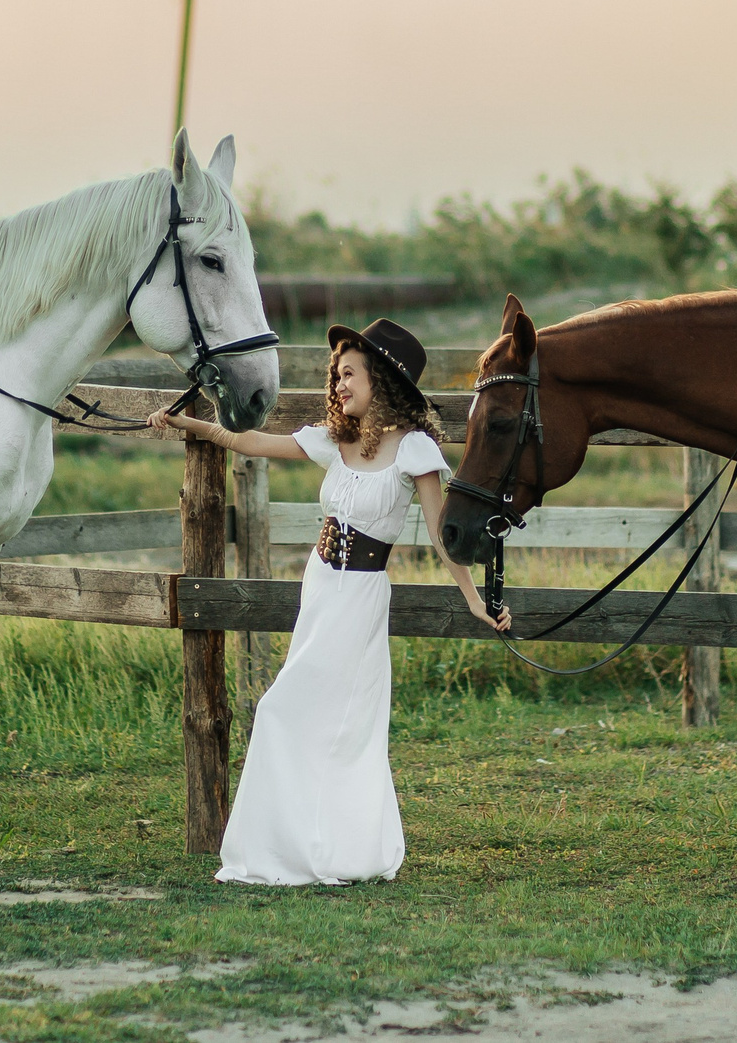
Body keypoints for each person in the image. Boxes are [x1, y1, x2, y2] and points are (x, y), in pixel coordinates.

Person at [152, 317, 510, 885]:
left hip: (360, 596)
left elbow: (444, 536)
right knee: (310, 720)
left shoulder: (414, 448)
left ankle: (333, 850)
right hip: (320, 586)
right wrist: (188, 425)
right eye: (337, 374)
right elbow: (250, 441)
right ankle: (295, 848)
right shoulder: (335, 440)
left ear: (383, 381)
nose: (340, 384)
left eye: (351, 373)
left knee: (300, 717)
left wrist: (474, 598)